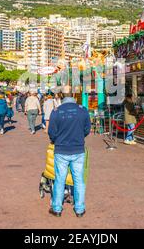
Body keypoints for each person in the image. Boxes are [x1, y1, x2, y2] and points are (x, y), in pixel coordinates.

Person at [48, 90, 91, 218]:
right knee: (79, 180)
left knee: (59, 179)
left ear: (61, 96)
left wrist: (57, 140)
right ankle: (79, 209)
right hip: (78, 149)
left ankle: (57, 209)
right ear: (73, 95)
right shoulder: (82, 110)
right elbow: (87, 129)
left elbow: (51, 132)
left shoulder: (56, 111)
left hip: (61, 150)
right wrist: (78, 137)